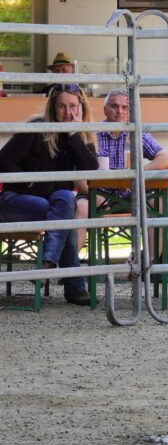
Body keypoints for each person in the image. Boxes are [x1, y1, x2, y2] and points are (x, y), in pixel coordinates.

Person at [0, 83, 98, 304]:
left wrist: (73, 135)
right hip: (16, 201)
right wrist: (32, 182)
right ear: (53, 108)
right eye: (62, 106)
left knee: (65, 198)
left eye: (73, 106)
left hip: (55, 203)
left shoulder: (78, 136)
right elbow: (2, 161)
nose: (68, 112)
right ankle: (74, 286)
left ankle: (48, 262)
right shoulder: (36, 128)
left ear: (81, 108)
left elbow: (91, 169)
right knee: (62, 216)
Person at [80, 89, 168, 262]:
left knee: (159, 205)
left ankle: (149, 262)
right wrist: (89, 193)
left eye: (125, 107)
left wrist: (137, 174)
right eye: (114, 106)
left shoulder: (136, 133)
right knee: (80, 209)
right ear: (105, 110)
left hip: (131, 197)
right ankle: (72, 271)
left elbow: (167, 159)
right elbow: (76, 170)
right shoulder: (91, 133)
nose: (120, 111)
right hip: (98, 197)